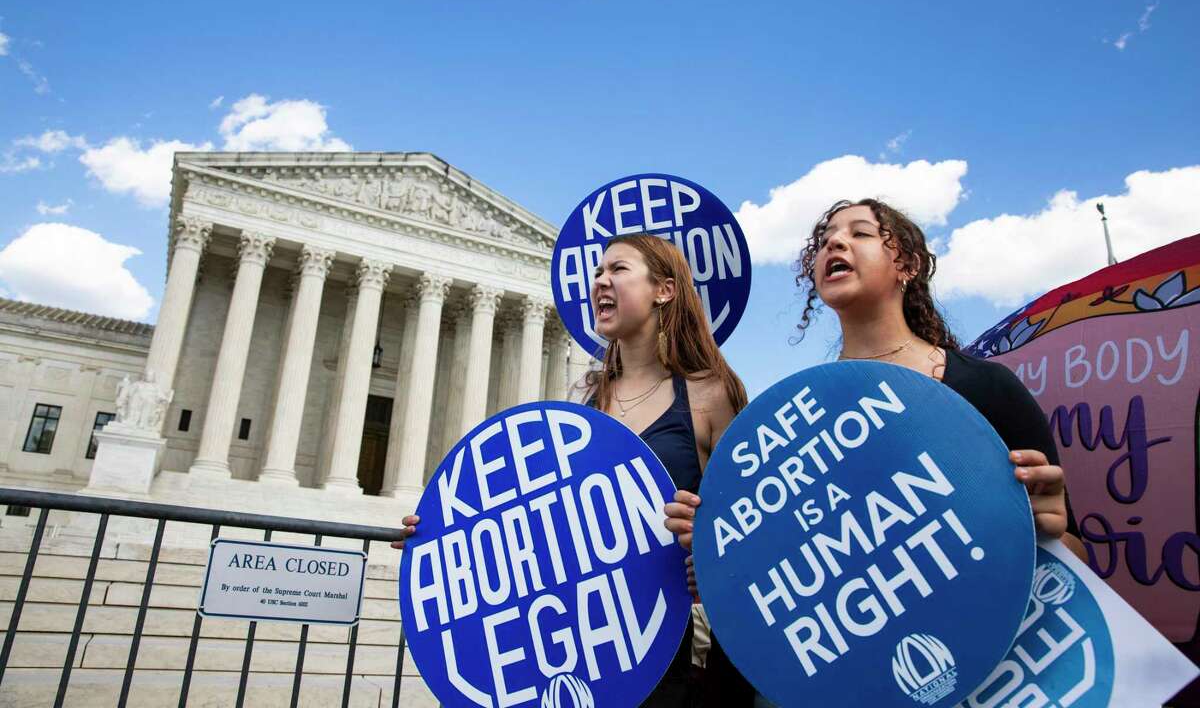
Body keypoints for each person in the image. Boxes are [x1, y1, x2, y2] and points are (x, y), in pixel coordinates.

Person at [393, 232, 755, 707]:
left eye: (618, 270)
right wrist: (445, 536)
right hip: (573, 638)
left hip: (654, 644)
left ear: (664, 290)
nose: (600, 281)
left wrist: (704, 545)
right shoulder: (581, 401)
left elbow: (747, 520)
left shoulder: (710, 394)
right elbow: (536, 516)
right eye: (598, 272)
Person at [664, 198, 1085, 587]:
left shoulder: (986, 386)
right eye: (826, 239)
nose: (835, 243)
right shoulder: (800, 419)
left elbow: (1076, 553)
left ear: (909, 265)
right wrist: (723, 561)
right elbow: (796, 568)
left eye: (860, 233)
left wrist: (1048, 535)